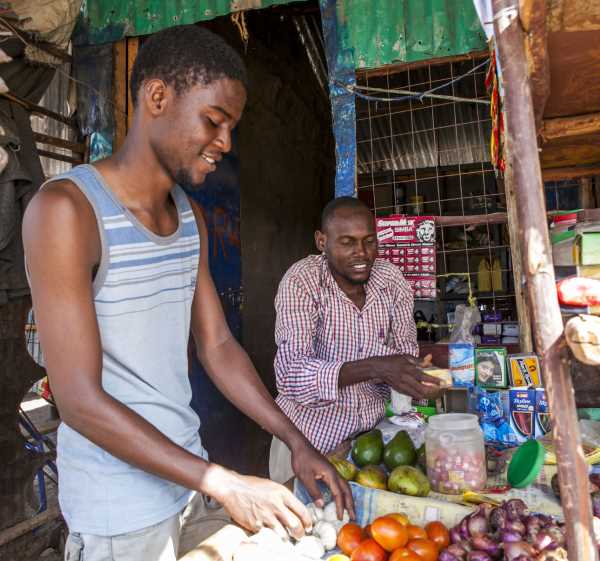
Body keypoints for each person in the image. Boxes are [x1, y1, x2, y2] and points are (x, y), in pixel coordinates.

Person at [22, 25, 352, 561]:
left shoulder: (188, 217)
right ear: (157, 97)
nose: (225, 143)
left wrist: (295, 441)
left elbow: (217, 346)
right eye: (214, 121)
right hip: (119, 514)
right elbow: (79, 401)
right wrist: (224, 482)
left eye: (231, 127)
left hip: (187, 484)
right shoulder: (67, 212)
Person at [270, 197, 441, 482]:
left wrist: (420, 381)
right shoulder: (302, 281)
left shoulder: (391, 280)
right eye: (347, 242)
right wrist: (376, 367)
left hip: (368, 447)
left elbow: (404, 357)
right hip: (303, 442)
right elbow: (290, 374)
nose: (361, 253)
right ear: (322, 241)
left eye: (369, 241)